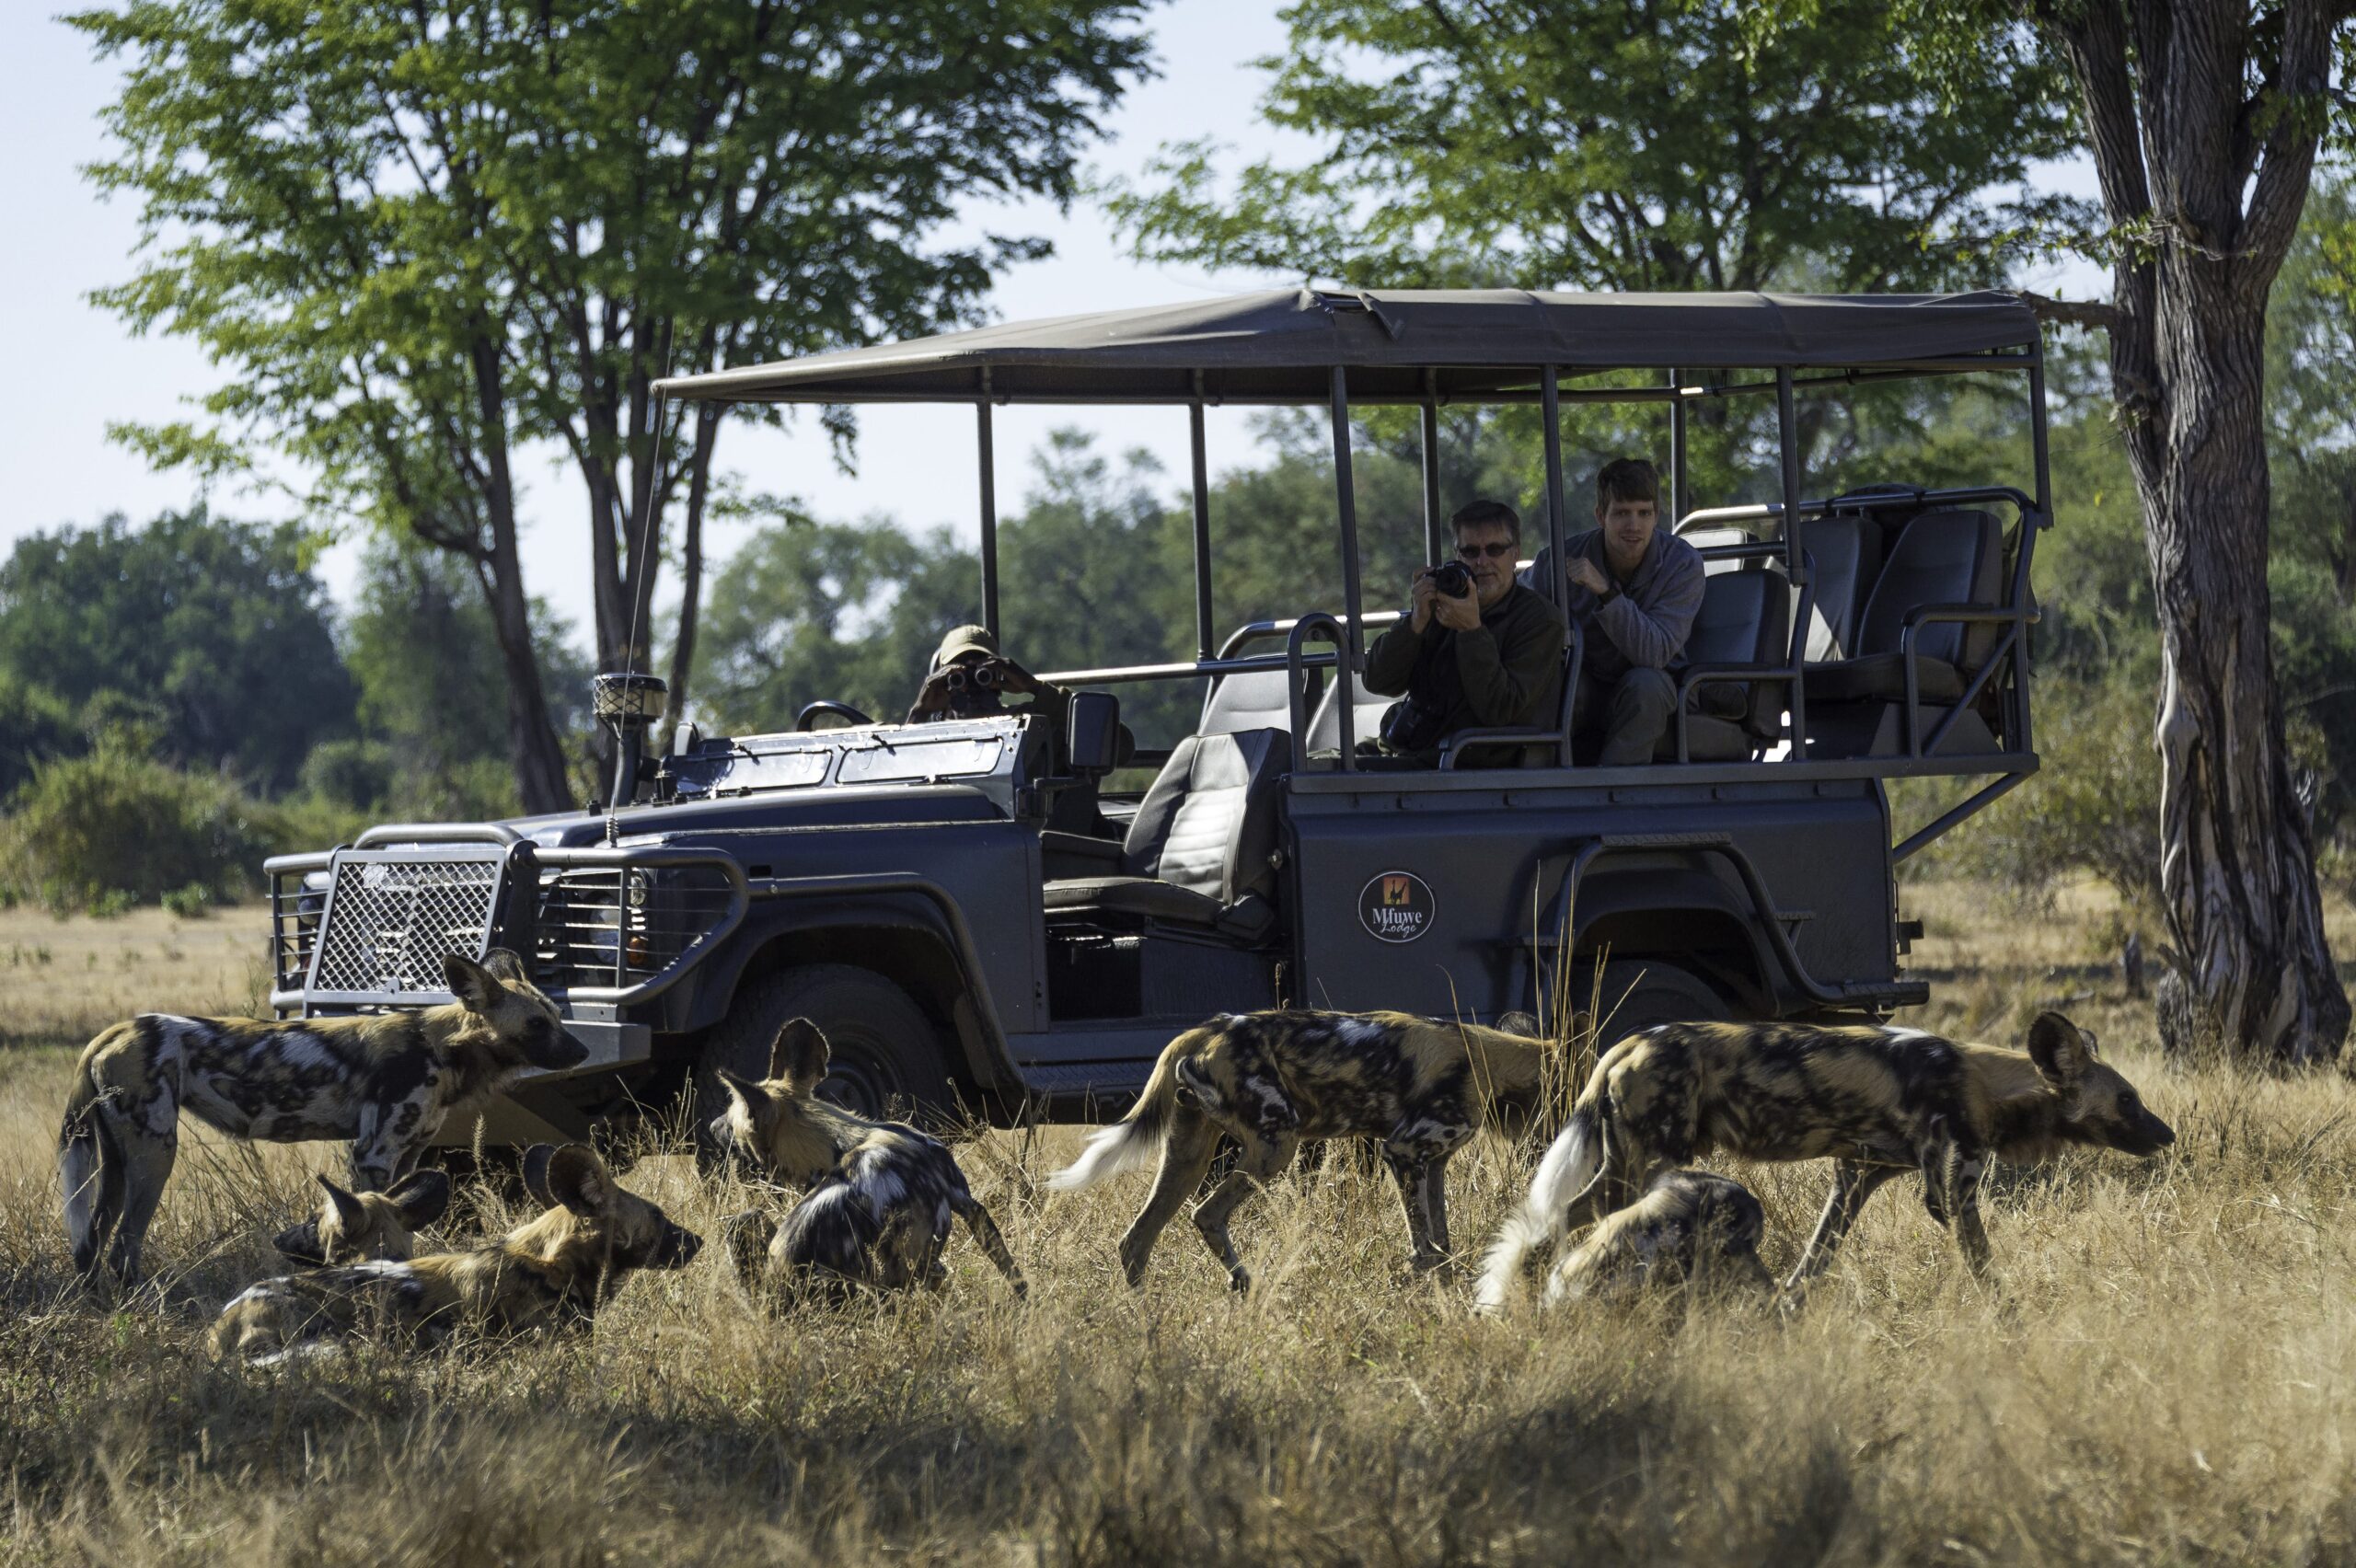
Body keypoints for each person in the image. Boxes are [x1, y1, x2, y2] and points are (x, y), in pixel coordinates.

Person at [1519, 457, 1703, 767]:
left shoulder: (1682, 564)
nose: (1634, 526)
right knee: (1554, 683)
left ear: (1656, 515)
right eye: (1621, 513)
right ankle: (1533, 789)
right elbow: (1517, 607)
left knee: (1646, 686)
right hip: (1586, 682)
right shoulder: (1561, 560)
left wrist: (1605, 592)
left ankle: (1615, 798)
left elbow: (1654, 654)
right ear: (1601, 516)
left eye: (1644, 513)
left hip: (1657, 687)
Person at [1362, 499, 1566, 767]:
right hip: (1409, 745)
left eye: (1494, 550)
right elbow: (1377, 681)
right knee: (1307, 764)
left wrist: (1471, 630)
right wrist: (1415, 623)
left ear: (1515, 554)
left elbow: (1500, 710)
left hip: (1470, 758)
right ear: (1457, 556)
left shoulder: (1539, 620)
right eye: (1470, 552)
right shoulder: (1441, 605)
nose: (1482, 562)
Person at [906, 624, 1066, 726]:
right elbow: (901, 761)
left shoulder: (1020, 721)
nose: (971, 684)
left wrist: (1034, 686)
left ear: (998, 672)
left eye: (980, 673)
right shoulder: (934, 733)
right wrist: (921, 711)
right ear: (944, 680)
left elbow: (1079, 717)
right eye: (958, 676)